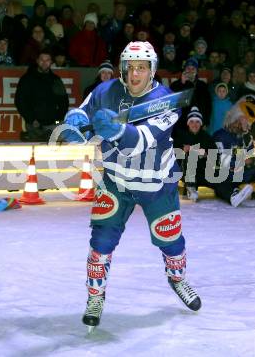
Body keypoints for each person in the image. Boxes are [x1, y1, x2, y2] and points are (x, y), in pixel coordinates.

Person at [61, 41, 201, 331]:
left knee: (171, 243)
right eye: (130, 67)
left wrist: (118, 130)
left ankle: (178, 279)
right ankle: (95, 296)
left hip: (157, 186)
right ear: (122, 68)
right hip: (115, 183)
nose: (135, 74)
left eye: (142, 68)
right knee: (100, 243)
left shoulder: (166, 100)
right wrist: (74, 122)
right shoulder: (106, 90)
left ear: (152, 70)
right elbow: (83, 112)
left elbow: (142, 140)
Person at [173, 106, 253, 206]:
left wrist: (202, 153)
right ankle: (190, 187)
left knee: (218, 178)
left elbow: (215, 156)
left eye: (197, 122)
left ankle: (233, 196)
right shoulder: (181, 136)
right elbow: (175, 154)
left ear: (201, 124)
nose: (194, 124)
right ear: (188, 123)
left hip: (204, 172)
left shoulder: (206, 137)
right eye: (192, 121)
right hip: (187, 174)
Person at [15, 49, 69, 142]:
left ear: (51, 62)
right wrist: (31, 119)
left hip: (53, 123)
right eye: (42, 60)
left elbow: (64, 102)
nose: (44, 63)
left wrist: (58, 119)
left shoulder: (55, 80)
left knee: (63, 139)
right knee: (37, 145)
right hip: (34, 124)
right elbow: (20, 101)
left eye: (47, 60)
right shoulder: (27, 79)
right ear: (37, 61)